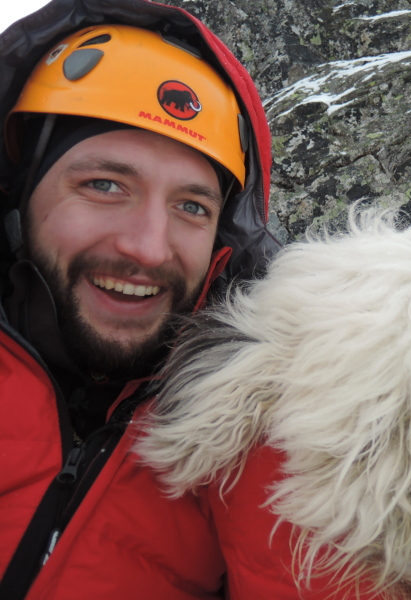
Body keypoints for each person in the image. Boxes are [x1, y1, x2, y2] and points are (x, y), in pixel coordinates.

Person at [0, 0, 301, 597]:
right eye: (105, 185)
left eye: (192, 206)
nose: (147, 248)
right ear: (19, 192)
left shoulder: (262, 441)